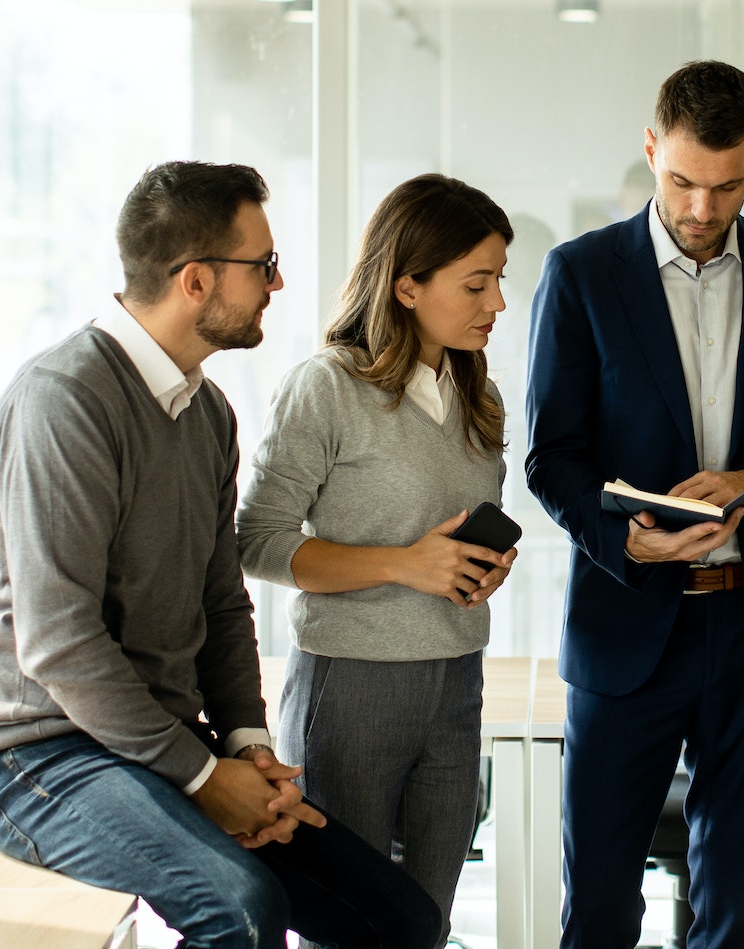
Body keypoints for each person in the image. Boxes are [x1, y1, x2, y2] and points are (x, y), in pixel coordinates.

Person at [0, 161, 441, 949]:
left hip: (157, 742)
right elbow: (58, 642)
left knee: (403, 920)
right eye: (264, 265)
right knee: (242, 908)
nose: (277, 284)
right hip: (36, 756)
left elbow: (221, 604)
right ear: (196, 280)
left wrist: (246, 748)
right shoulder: (64, 401)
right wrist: (206, 778)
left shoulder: (207, 412)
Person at [526, 61, 744, 947]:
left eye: (726, 185)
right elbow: (551, 457)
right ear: (651, 148)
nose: (703, 208)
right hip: (626, 624)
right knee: (599, 907)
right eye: (681, 180)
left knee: (737, 912)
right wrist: (625, 542)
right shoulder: (581, 274)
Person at [237, 173, 518, 935]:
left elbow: (448, 536)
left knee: (427, 924)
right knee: (349, 928)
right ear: (406, 286)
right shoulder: (325, 387)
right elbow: (257, 540)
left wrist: (479, 569)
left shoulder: (478, 396)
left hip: (456, 680)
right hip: (353, 686)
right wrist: (402, 562)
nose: (496, 302)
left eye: (499, 279)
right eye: (476, 283)